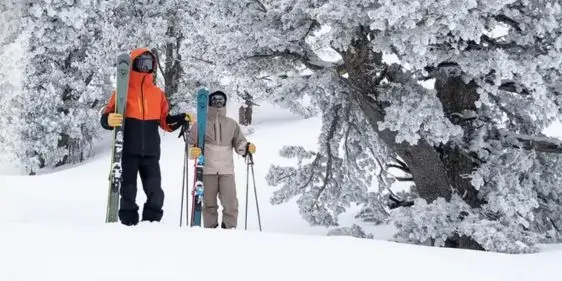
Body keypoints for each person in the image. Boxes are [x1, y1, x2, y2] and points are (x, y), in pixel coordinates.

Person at [100, 48, 192, 226]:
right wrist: (108, 119)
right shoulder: (122, 91)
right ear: (133, 64)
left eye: (148, 64)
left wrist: (181, 119)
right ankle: (128, 226)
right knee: (128, 192)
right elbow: (106, 115)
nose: (144, 68)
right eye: (141, 63)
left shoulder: (157, 94)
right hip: (128, 150)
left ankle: (151, 226)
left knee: (156, 193)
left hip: (150, 152)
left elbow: (165, 122)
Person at [188, 90, 256, 229]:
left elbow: (239, 143)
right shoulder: (200, 123)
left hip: (226, 171)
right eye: (215, 100)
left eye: (221, 100)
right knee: (209, 205)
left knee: (231, 204)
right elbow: (190, 144)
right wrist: (191, 151)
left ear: (224, 102)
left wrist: (246, 147)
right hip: (207, 170)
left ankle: (229, 231)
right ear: (209, 103)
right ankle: (210, 230)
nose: (218, 103)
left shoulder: (231, 124)